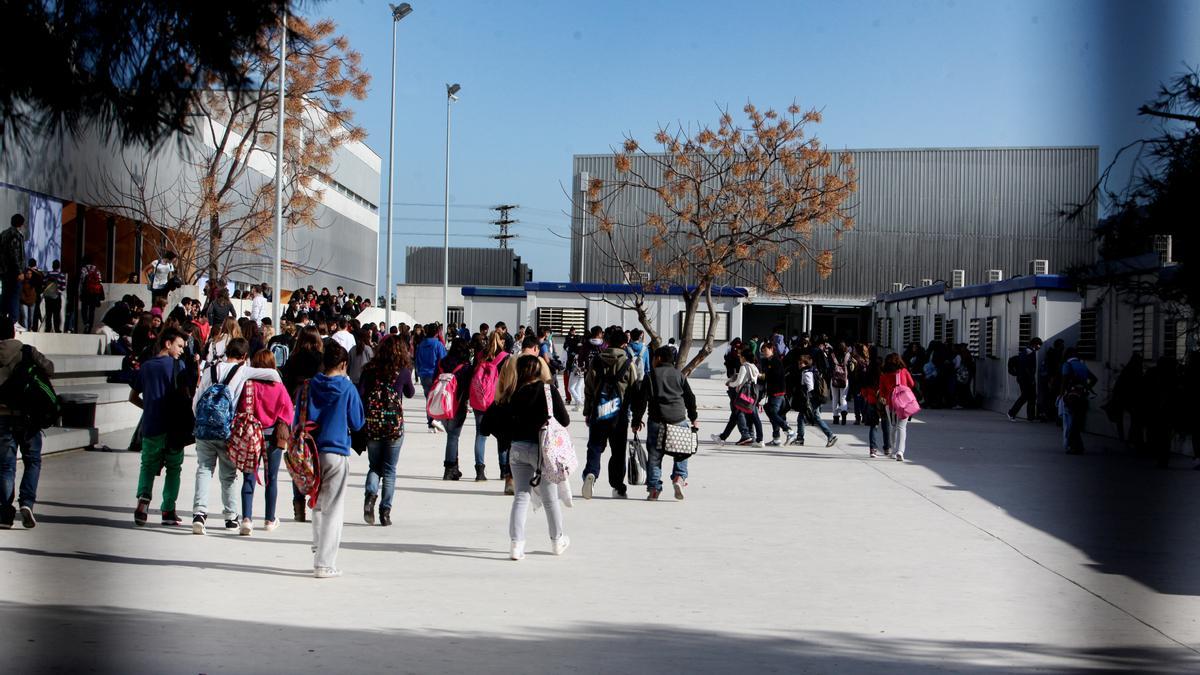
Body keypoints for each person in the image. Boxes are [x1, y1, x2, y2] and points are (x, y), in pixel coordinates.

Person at [480, 354, 571, 561]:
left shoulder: (512, 394)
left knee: (521, 496)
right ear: (539, 371)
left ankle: (516, 544)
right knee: (550, 499)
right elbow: (564, 420)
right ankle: (557, 540)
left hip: (518, 449)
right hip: (543, 451)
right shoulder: (548, 391)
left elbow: (488, 423)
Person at [190, 337, 281, 535]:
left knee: (204, 469)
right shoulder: (242, 370)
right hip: (226, 430)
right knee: (229, 474)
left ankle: (199, 514)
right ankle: (231, 518)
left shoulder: (209, 370)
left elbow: (196, 401)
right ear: (244, 357)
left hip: (204, 430)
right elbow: (273, 374)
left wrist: (203, 420)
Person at [300, 342, 365, 578]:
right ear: (344, 364)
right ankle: (324, 563)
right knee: (333, 509)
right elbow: (357, 422)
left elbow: (299, 416)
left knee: (317, 502)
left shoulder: (308, 385)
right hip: (336, 450)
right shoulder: (347, 389)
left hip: (310, 451)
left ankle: (318, 546)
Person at [130, 327, 190, 526]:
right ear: (168, 343)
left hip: (151, 425)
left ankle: (143, 500)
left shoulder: (146, 367)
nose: (181, 350)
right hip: (173, 427)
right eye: (179, 346)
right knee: (174, 468)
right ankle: (168, 510)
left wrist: (148, 407)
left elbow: (132, 397)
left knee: (147, 465)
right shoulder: (178, 366)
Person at [0, 317, 54, 528]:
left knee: (6, 466)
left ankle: (4, 513)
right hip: (29, 415)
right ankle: (27, 502)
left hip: (2, 416)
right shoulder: (27, 351)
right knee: (33, 460)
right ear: (13, 332)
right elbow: (50, 369)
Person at [359, 336, 414, 526]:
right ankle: (385, 511)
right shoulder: (403, 371)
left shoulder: (369, 370)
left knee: (374, 466)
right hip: (394, 426)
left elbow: (361, 394)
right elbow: (410, 393)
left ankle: (370, 497)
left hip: (373, 424)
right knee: (390, 470)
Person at [631, 346, 698, 500]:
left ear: (659, 358)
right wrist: (693, 417)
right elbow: (690, 397)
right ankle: (679, 478)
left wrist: (636, 421)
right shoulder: (679, 375)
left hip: (657, 421)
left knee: (655, 456)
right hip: (679, 420)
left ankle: (654, 488)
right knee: (682, 452)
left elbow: (641, 402)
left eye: (654, 358)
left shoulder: (650, 376)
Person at [239, 349, 293, 534]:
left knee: (249, 476)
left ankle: (246, 518)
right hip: (273, 437)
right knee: (272, 478)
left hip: (252, 434)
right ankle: (269, 519)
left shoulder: (249, 385)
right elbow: (288, 412)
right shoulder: (279, 387)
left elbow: (241, 409)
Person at [582, 326, 638, 499]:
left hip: (599, 411)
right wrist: (636, 416)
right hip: (619, 415)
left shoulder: (597, 360)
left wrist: (587, 411)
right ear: (624, 343)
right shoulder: (628, 363)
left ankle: (591, 474)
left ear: (607, 342)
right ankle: (618, 487)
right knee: (618, 451)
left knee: (595, 446)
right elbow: (634, 389)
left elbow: (589, 387)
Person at [282, 326, 324, 521]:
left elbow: (286, 386)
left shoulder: (293, 359)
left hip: (296, 415)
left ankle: (298, 505)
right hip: (317, 416)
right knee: (316, 458)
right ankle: (316, 499)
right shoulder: (320, 360)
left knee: (298, 457)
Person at [470, 331, 509, 487]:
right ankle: (504, 469)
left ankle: (480, 470)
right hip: (497, 400)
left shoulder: (480, 355)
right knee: (502, 435)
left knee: (480, 434)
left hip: (479, 400)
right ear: (501, 341)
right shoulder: (505, 357)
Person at [437, 337, 476, 480]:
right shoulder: (466, 367)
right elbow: (467, 388)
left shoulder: (442, 362)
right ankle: (449, 468)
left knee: (452, 436)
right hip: (457, 404)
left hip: (442, 403)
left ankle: (454, 468)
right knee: (453, 437)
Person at [791, 353, 838, 448]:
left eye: (801, 363)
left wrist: (807, 400)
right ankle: (801, 438)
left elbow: (810, 387)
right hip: (814, 399)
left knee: (811, 418)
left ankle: (830, 435)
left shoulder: (806, 373)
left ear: (806, 363)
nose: (799, 365)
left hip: (811, 399)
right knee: (804, 418)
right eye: (799, 363)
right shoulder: (811, 371)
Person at [712, 338, 751, 445]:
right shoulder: (741, 359)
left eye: (738, 350)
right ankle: (724, 436)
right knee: (736, 413)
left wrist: (730, 383)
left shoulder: (740, 361)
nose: (737, 352)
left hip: (737, 388)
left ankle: (746, 434)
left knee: (737, 412)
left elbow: (736, 375)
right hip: (740, 388)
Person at [1059, 347, 1097, 455]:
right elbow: (1094, 379)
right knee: (1077, 421)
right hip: (1082, 396)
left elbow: (1064, 381)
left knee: (1070, 422)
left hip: (1071, 396)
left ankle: (1073, 445)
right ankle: (1078, 445)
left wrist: (1061, 396)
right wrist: (1086, 388)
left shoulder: (1067, 365)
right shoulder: (1082, 365)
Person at [758, 342, 795, 446]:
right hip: (771, 393)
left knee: (774, 413)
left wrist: (763, 376)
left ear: (771, 349)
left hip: (777, 392)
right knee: (772, 415)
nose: (764, 353)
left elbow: (775, 376)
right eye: (762, 351)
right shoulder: (767, 361)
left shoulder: (776, 361)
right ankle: (776, 438)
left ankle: (789, 430)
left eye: (765, 350)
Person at [726, 346, 764, 447]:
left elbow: (739, 382)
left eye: (740, 356)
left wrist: (730, 384)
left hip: (744, 396)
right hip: (753, 395)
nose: (739, 358)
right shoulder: (754, 367)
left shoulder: (744, 367)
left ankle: (723, 437)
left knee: (736, 415)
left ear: (744, 357)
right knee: (755, 418)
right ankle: (759, 439)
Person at [881, 353, 915, 461]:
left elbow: (882, 390)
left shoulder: (884, 374)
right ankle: (900, 451)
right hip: (904, 402)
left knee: (893, 426)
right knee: (902, 427)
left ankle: (893, 451)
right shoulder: (904, 371)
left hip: (890, 403)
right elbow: (912, 384)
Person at [415, 323, 448, 432]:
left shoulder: (421, 344)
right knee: (437, 399)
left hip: (424, 374)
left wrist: (419, 371)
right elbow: (443, 360)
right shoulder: (438, 345)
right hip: (436, 375)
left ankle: (430, 421)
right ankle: (436, 420)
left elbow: (417, 360)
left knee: (428, 398)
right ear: (436, 333)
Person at [860, 357, 891, 458]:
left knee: (874, 426)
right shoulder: (884, 375)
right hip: (883, 402)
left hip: (871, 401)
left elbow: (863, 391)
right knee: (886, 425)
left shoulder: (867, 375)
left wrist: (868, 397)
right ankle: (887, 448)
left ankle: (873, 449)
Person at [1007, 338, 1042, 422]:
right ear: (1035, 344)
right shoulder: (1028, 352)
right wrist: (1031, 379)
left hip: (1025, 378)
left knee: (1032, 397)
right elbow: (1026, 367)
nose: (1039, 347)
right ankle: (1011, 413)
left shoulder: (1028, 351)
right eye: (1039, 345)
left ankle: (1031, 417)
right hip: (1025, 379)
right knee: (1025, 396)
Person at [0, 215, 26, 326]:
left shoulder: (3, 234)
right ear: (20, 224)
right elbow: (14, 254)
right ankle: (14, 321)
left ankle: (2, 319)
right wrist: (19, 271)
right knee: (15, 295)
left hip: (4, 271)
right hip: (13, 272)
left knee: (5, 296)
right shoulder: (16, 235)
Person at [77, 254, 104, 334]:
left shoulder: (84, 269)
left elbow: (81, 282)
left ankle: (86, 323)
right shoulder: (97, 270)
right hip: (94, 293)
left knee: (84, 309)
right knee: (92, 310)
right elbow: (100, 282)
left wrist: (80, 292)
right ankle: (90, 328)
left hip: (86, 292)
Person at [40, 260, 66, 333]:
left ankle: (48, 328)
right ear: (59, 266)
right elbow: (63, 287)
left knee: (48, 313)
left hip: (48, 297)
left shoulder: (48, 274)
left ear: (52, 266)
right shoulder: (61, 275)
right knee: (56, 314)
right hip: (57, 297)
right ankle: (57, 329)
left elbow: (43, 285)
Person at [19, 259, 43, 331]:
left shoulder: (34, 279)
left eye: (30, 273)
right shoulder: (23, 279)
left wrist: (32, 269)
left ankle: (30, 329)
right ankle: (26, 330)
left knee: (31, 318)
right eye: (28, 273)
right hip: (24, 300)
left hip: (32, 300)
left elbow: (40, 277)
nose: (29, 274)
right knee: (25, 317)